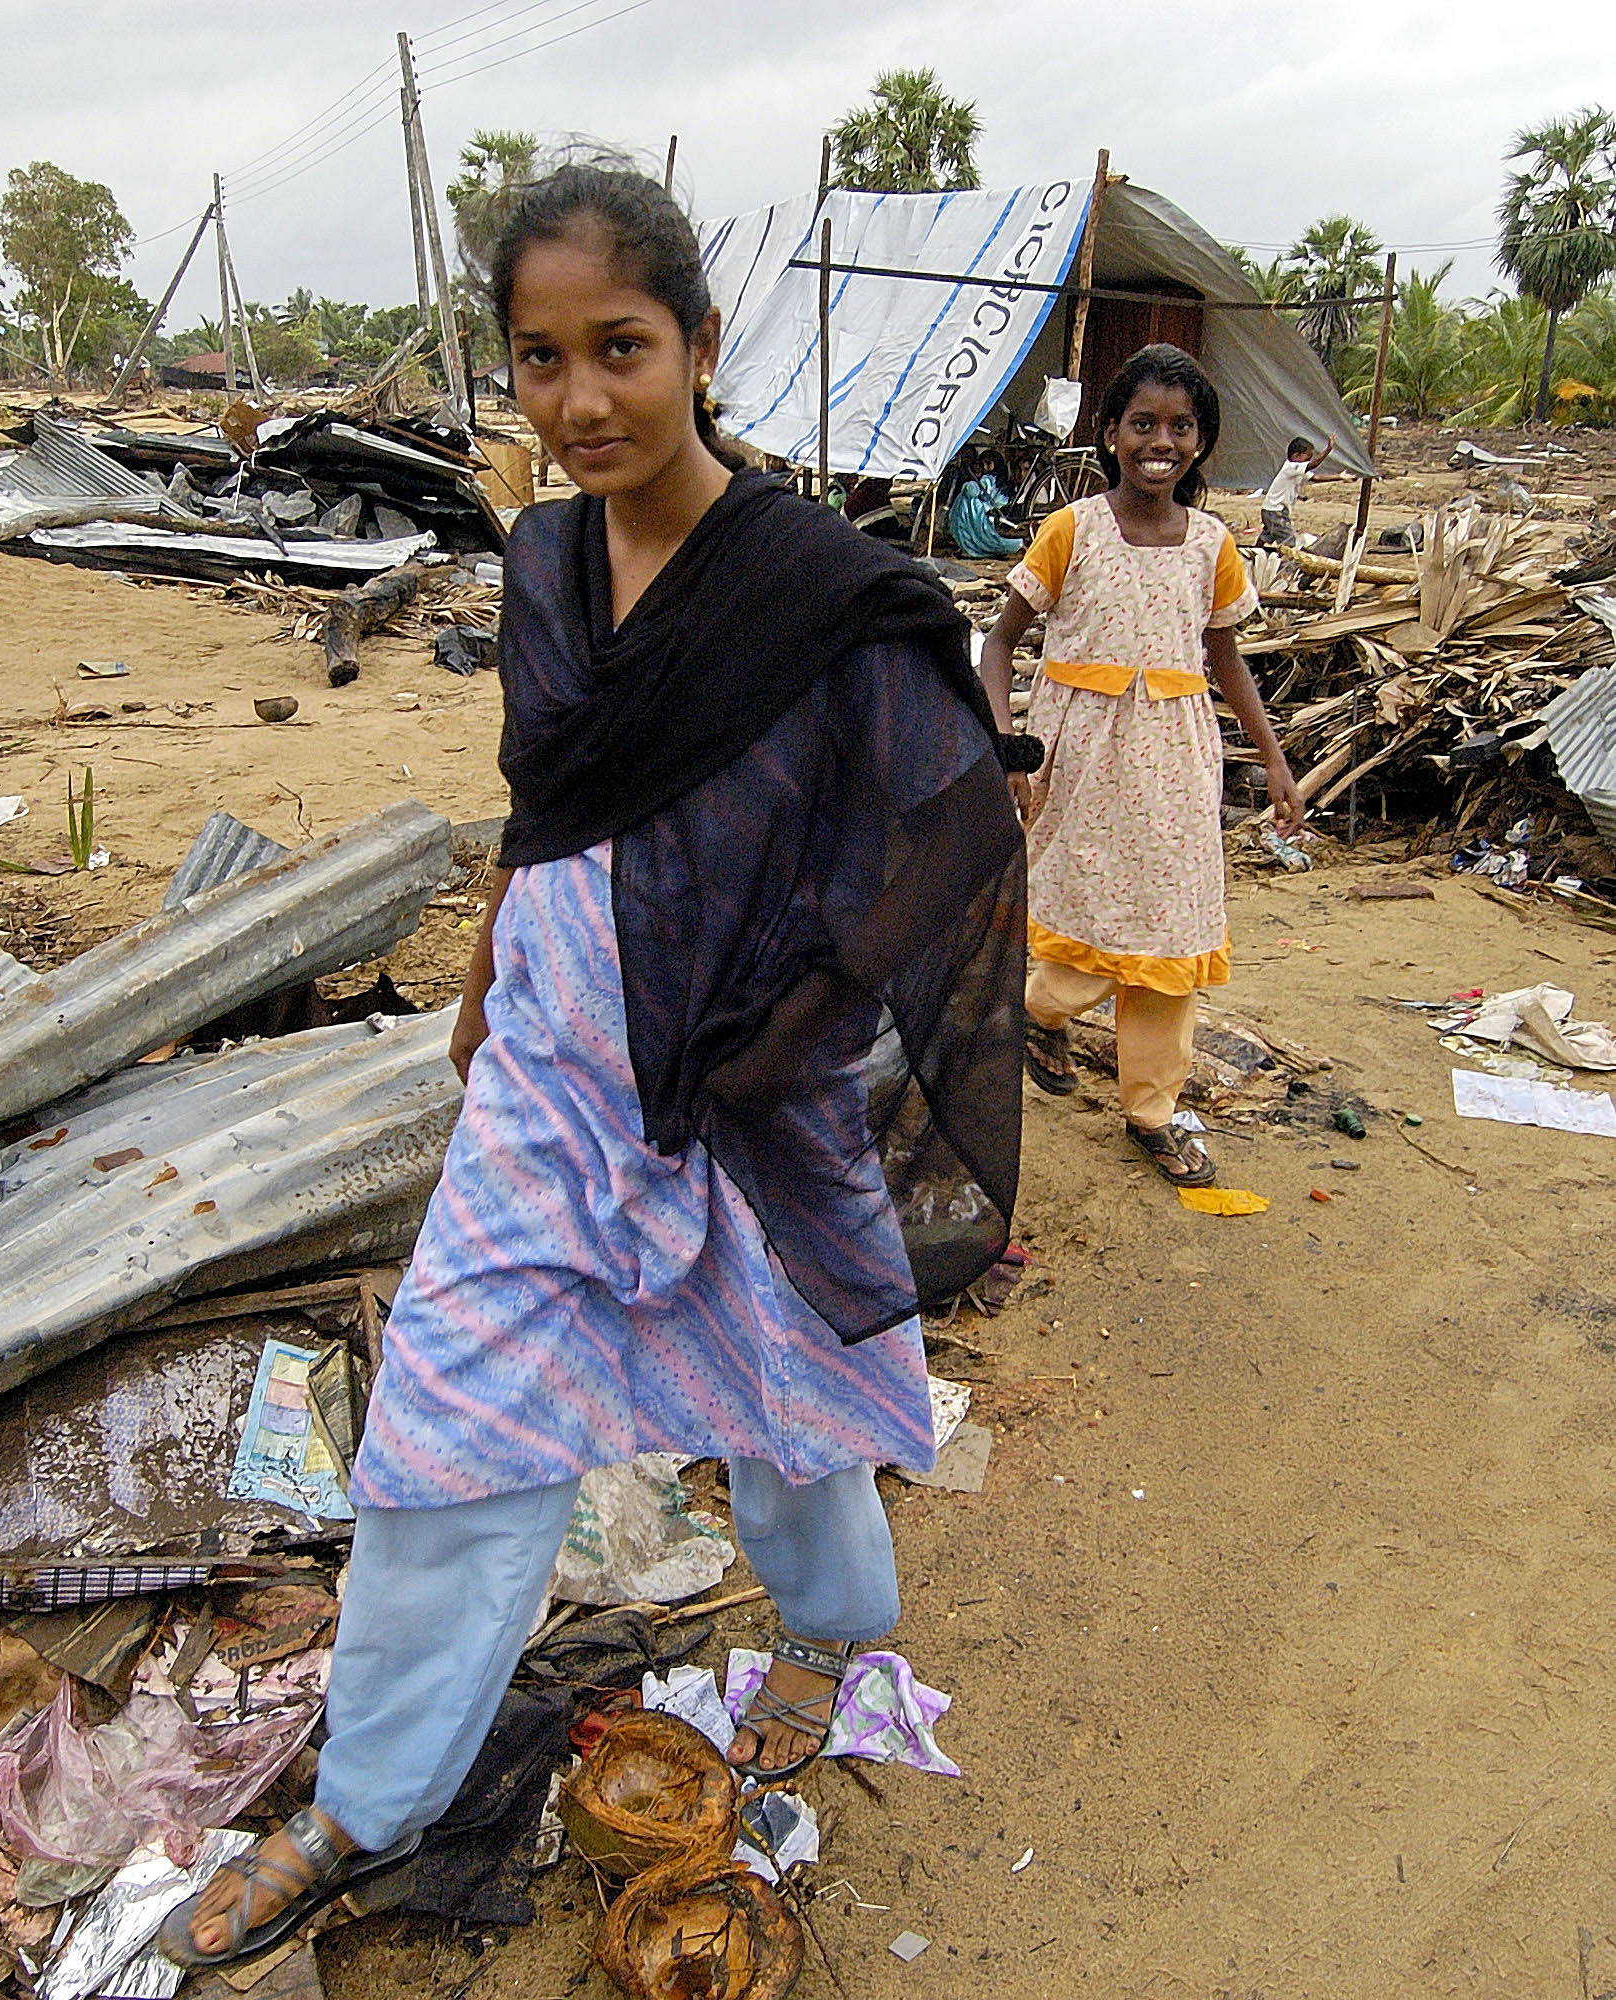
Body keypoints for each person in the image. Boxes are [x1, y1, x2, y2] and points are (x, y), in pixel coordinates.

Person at [160, 162, 1029, 1973]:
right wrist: (486, 964)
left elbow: (953, 826)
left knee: (785, 1380)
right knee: (450, 1421)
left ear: (701, 347)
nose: (580, 402)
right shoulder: (546, 554)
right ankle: (367, 1801)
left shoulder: (823, 589)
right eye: (539, 360)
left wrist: (801, 1021)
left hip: (742, 1074)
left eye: (620, 349)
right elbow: (550, 795)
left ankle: (822, 1634)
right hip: (554, 1061)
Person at [978, 343, 1306, 1187]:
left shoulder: (1211, 542)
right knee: (1080, 911)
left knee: (1171, 926)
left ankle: (1152, 1109)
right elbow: (1001, 645)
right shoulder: (1072, 529)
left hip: (1176, 761)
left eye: (1181, 426)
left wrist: (1274, 761)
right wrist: (1006, 748)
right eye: (1143, 423)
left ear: (1201, 441)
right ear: (1111, 432)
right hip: (1079, 758)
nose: (1161, 440)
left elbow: (1227, 659)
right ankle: (1036, 1014)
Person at [1258, 431, 1335, 546]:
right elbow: (1313, 465)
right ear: (1296, 456)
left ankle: (1254, 553)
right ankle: (1284, 562)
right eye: (1307, 458)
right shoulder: (1292, 466)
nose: (1308, 461)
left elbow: (1316, 477)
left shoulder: (1296, 470)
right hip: (1276, 511)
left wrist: (1339, 477)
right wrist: (1328, 450)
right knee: (1288, 540)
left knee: (1268, 534)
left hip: (1271, 509)